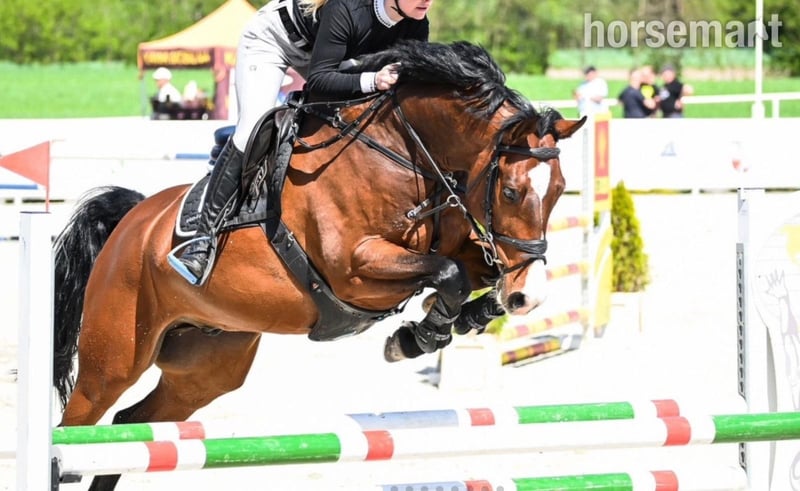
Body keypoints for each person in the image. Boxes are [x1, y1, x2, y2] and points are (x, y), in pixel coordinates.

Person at [169, 0, 434, 286]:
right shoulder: (347, 8)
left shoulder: (416, 24)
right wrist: (372, 80)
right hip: (275, 42)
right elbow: (319, 81)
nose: (427, 0)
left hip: (331, 54)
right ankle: (202, 241)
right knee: (252, 128)